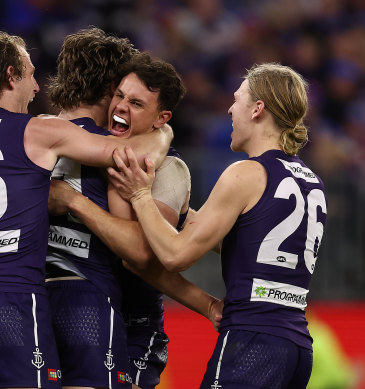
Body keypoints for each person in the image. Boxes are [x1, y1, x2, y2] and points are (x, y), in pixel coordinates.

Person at [0, 28, 172, 389]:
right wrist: (164, 132)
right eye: (29, 73)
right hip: (15, 297)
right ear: (10, 75)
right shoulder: (37, 133)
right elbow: (132, 157)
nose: (37, 88)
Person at [108, 63, 328, 389]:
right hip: (297, 348)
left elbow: (175, 254)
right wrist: (180, 214)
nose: (229, 109)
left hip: (252, 340)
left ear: (258, 109)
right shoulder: (312, 181)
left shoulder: (245, 174)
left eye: (237, 99)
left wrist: (140, 195)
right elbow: (249, 243)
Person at [48, 52, 222, 389]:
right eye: (119, 96)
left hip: (135, 325)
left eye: (137, 103)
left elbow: (142, 258)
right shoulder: (87, 147)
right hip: (78, 308)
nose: (122, 107)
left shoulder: (170, 171)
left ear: (162, 118)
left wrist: (208, 304)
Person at [43, 27, 138, 389]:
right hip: (87, 295)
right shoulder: (116, 148)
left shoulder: (26, 135)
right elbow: (139, 252)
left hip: (26, 298)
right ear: (112, 85)